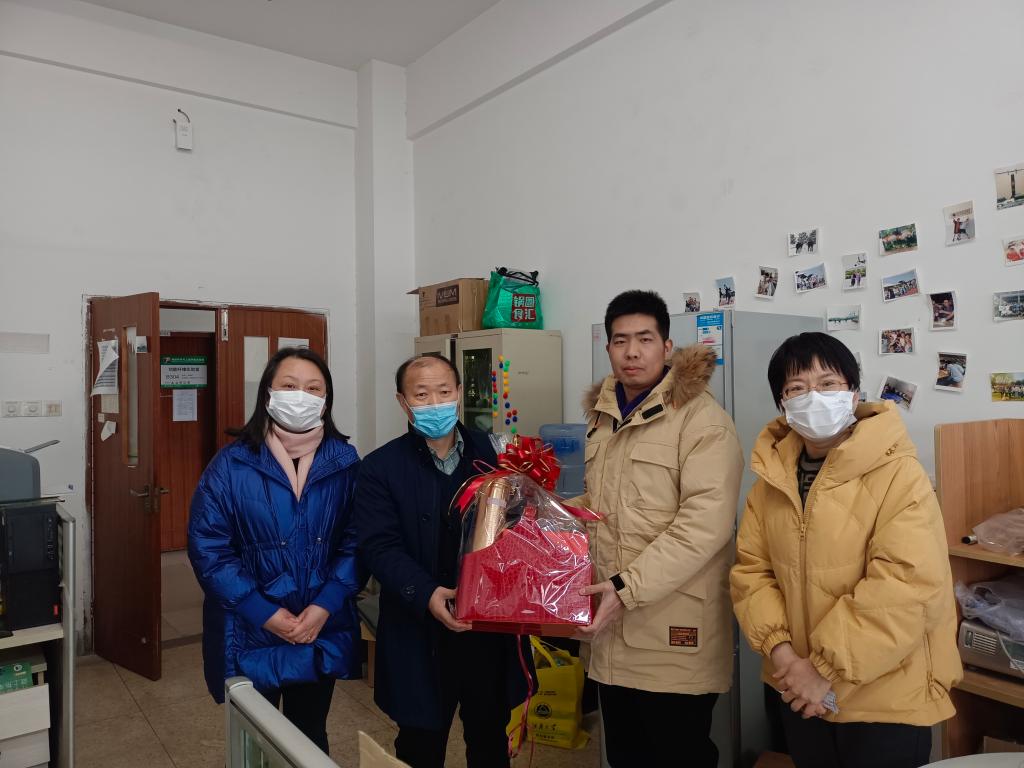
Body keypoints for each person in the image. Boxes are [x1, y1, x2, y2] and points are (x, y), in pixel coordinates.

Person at [730, 332, 962, 768]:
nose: (813, 397)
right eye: (796, 388)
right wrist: (784, 655)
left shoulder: (900, 475)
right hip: (798, 690)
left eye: (828, 384)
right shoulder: (770, 485)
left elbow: (907, 585)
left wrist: (821, 670)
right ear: (783, 405)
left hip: (885, 698)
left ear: (853, 393)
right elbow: (752, 575)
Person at [572, 290, 744, 767]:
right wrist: (546, 513)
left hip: (672, 630)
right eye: (620, 340)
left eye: (644, 339)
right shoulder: (604, 417)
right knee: (626, 755)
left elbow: (703, 527)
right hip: (611, 626)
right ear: (608, 348)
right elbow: (602, 505)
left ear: (667, 347)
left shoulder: (703, 422)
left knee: (678, 756)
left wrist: (625, 588)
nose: (632, 352)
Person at [354, 354, 532, 768]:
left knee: (489, 739)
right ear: (403, 402)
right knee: (420, 744)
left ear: (459, 394)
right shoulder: (380, 467)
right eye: (421, 395)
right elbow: (379, 546)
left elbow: (522, 529)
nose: (435, 402)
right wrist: (426, 592)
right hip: (418, 627)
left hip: (486, 630)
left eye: (444, 391)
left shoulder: (497, 455)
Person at [188, 347, 361, 753]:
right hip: (250, 630)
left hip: (319, 627)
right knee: (255, 746)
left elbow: (358, 541)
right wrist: (263, 612)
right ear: (268, 392)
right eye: (289, 385)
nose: (301, 396)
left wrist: (325, 605)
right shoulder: (231, 465)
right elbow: (209, 548)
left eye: (313, 388)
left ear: (326, 400)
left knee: (309, 739)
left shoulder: (346, 462)